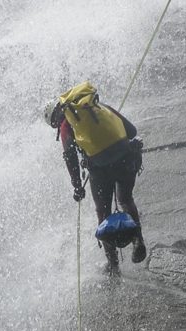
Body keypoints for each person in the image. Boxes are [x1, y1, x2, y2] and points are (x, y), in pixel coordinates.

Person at [44, 81, 146, 275]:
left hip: (100, 169)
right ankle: (138, 240)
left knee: (103, 211)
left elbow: (70, 159)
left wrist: (77, 186)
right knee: (125, 199)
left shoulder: (67, 124)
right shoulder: (97, 107)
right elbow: (131, 131)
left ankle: (113, 264)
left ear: (55, 120)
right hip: (126, 158)